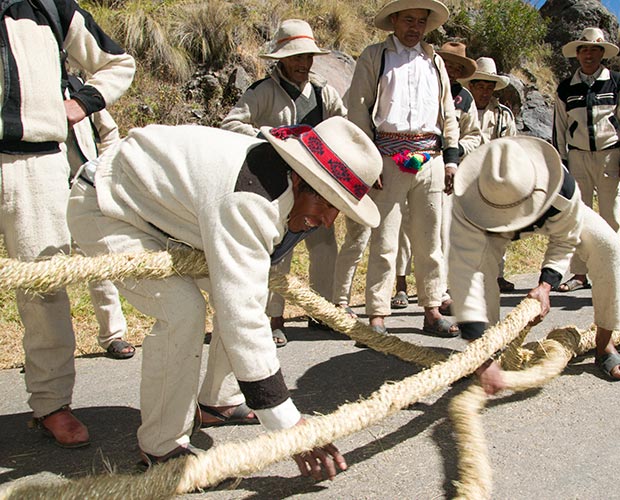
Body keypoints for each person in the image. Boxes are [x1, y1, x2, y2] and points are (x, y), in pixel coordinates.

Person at [67, 116, 382, 475]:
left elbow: (243, 295)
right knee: (182, 310)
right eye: (327, 203)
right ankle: (162, 446)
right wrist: (288, 427)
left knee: (245, 291)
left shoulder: (284, 191)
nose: (329, 221)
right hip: (107, 204)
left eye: (338, 208)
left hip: (171, 221)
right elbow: (241, 318)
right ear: (299, 177)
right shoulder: (250, 199)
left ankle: (218, 401)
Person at [0, 0, 135, 448]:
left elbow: (117, 63)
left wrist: (79, 104)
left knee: (44, 287)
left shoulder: (48, 7)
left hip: (34, 165)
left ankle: (51, 403)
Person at [449, 137, 620, 392]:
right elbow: (463, 275)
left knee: (607, 247)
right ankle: (486, 354)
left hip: (549, 212)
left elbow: (565, 239)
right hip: (486, 226)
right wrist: (479, 344)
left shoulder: (562, 188)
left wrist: (545, 287)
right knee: (480, 270)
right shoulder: (466, 205)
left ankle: (605, 344)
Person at [222, 19, 345, 345]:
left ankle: (322, 313)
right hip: (274, 189)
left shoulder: (324, 93)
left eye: (308, 57)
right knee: (279, 255)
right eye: (296, 57)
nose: (303, 64)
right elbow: (230, 125)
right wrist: (270, 139)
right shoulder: (262, 92)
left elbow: (343, 128)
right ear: (281, 59)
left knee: (325, 249)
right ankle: (272, 319)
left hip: (317, 188)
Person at [347, 0, 460, 338]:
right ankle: (378, 315)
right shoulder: (375, 56)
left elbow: (448, 113)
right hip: (387, 156)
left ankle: (431, 308)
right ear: (394, 20)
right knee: (384, 239)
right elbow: (358, 108)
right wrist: (367, 162)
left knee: (430, 240)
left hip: (431, 158)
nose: (414, 27)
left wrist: (451, 160)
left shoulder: (435, 60)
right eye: (408, 19)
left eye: (421, 21)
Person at [391, 41, 480, 314]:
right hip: (406, 161)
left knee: (438, 233)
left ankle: (438, 292)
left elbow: (474, 135)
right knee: (402, 228)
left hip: (444, 170)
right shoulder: (419, 82)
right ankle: (401, 286)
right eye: (447, 63)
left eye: (457, 67)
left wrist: (453, 153)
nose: (451, 70)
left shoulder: (464, 98)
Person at [553, 27, 620, 293]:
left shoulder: (617, 81)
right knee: (577, 217)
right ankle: (579, 274)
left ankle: (614, 272)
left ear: (602, 53)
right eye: (584, 50)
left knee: (611, 217)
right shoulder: (566, 87)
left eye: (594, 50)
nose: (588, 55)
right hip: (577, 158)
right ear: (577, 54)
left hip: (609, 157)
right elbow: (559, 128)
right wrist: (561, 164)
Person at [65, 74, 134, 360]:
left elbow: (108, 131)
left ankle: (112, 334)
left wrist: (102, 168)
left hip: (84, 186)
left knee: (99, 262)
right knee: (41, 269)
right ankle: (46, 352)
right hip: (42, 185)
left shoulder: (77, 86)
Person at [463, 56, 517, 293]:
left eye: (489, 87)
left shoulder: (503, 114)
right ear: (471, 86)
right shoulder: (459, 108)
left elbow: (511, 146)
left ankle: (496, 274)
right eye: (479, 86)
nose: (484, 92)